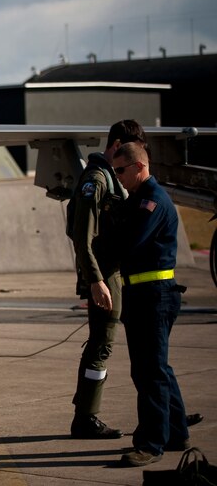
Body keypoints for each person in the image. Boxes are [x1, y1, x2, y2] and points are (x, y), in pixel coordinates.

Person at [112, 141, 190, 467]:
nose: (118, 177)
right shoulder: (138, 200)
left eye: (121, 171)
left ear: (139, 167)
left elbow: (129, 242)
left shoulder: (152, 202)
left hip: (154, 296)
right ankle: (175, 431)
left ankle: (150, 443)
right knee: (158, 369)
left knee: (149, 373)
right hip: (143, 295)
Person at [68, 120, 146, 440]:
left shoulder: (114, 179)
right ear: (115, 146)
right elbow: (81, 236)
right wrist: (96, 281)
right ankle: (86, 417)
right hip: (104, 274)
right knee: (101, 344)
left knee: (126, 341)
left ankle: (163, 409)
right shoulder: (97, 179)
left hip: (116, 271)